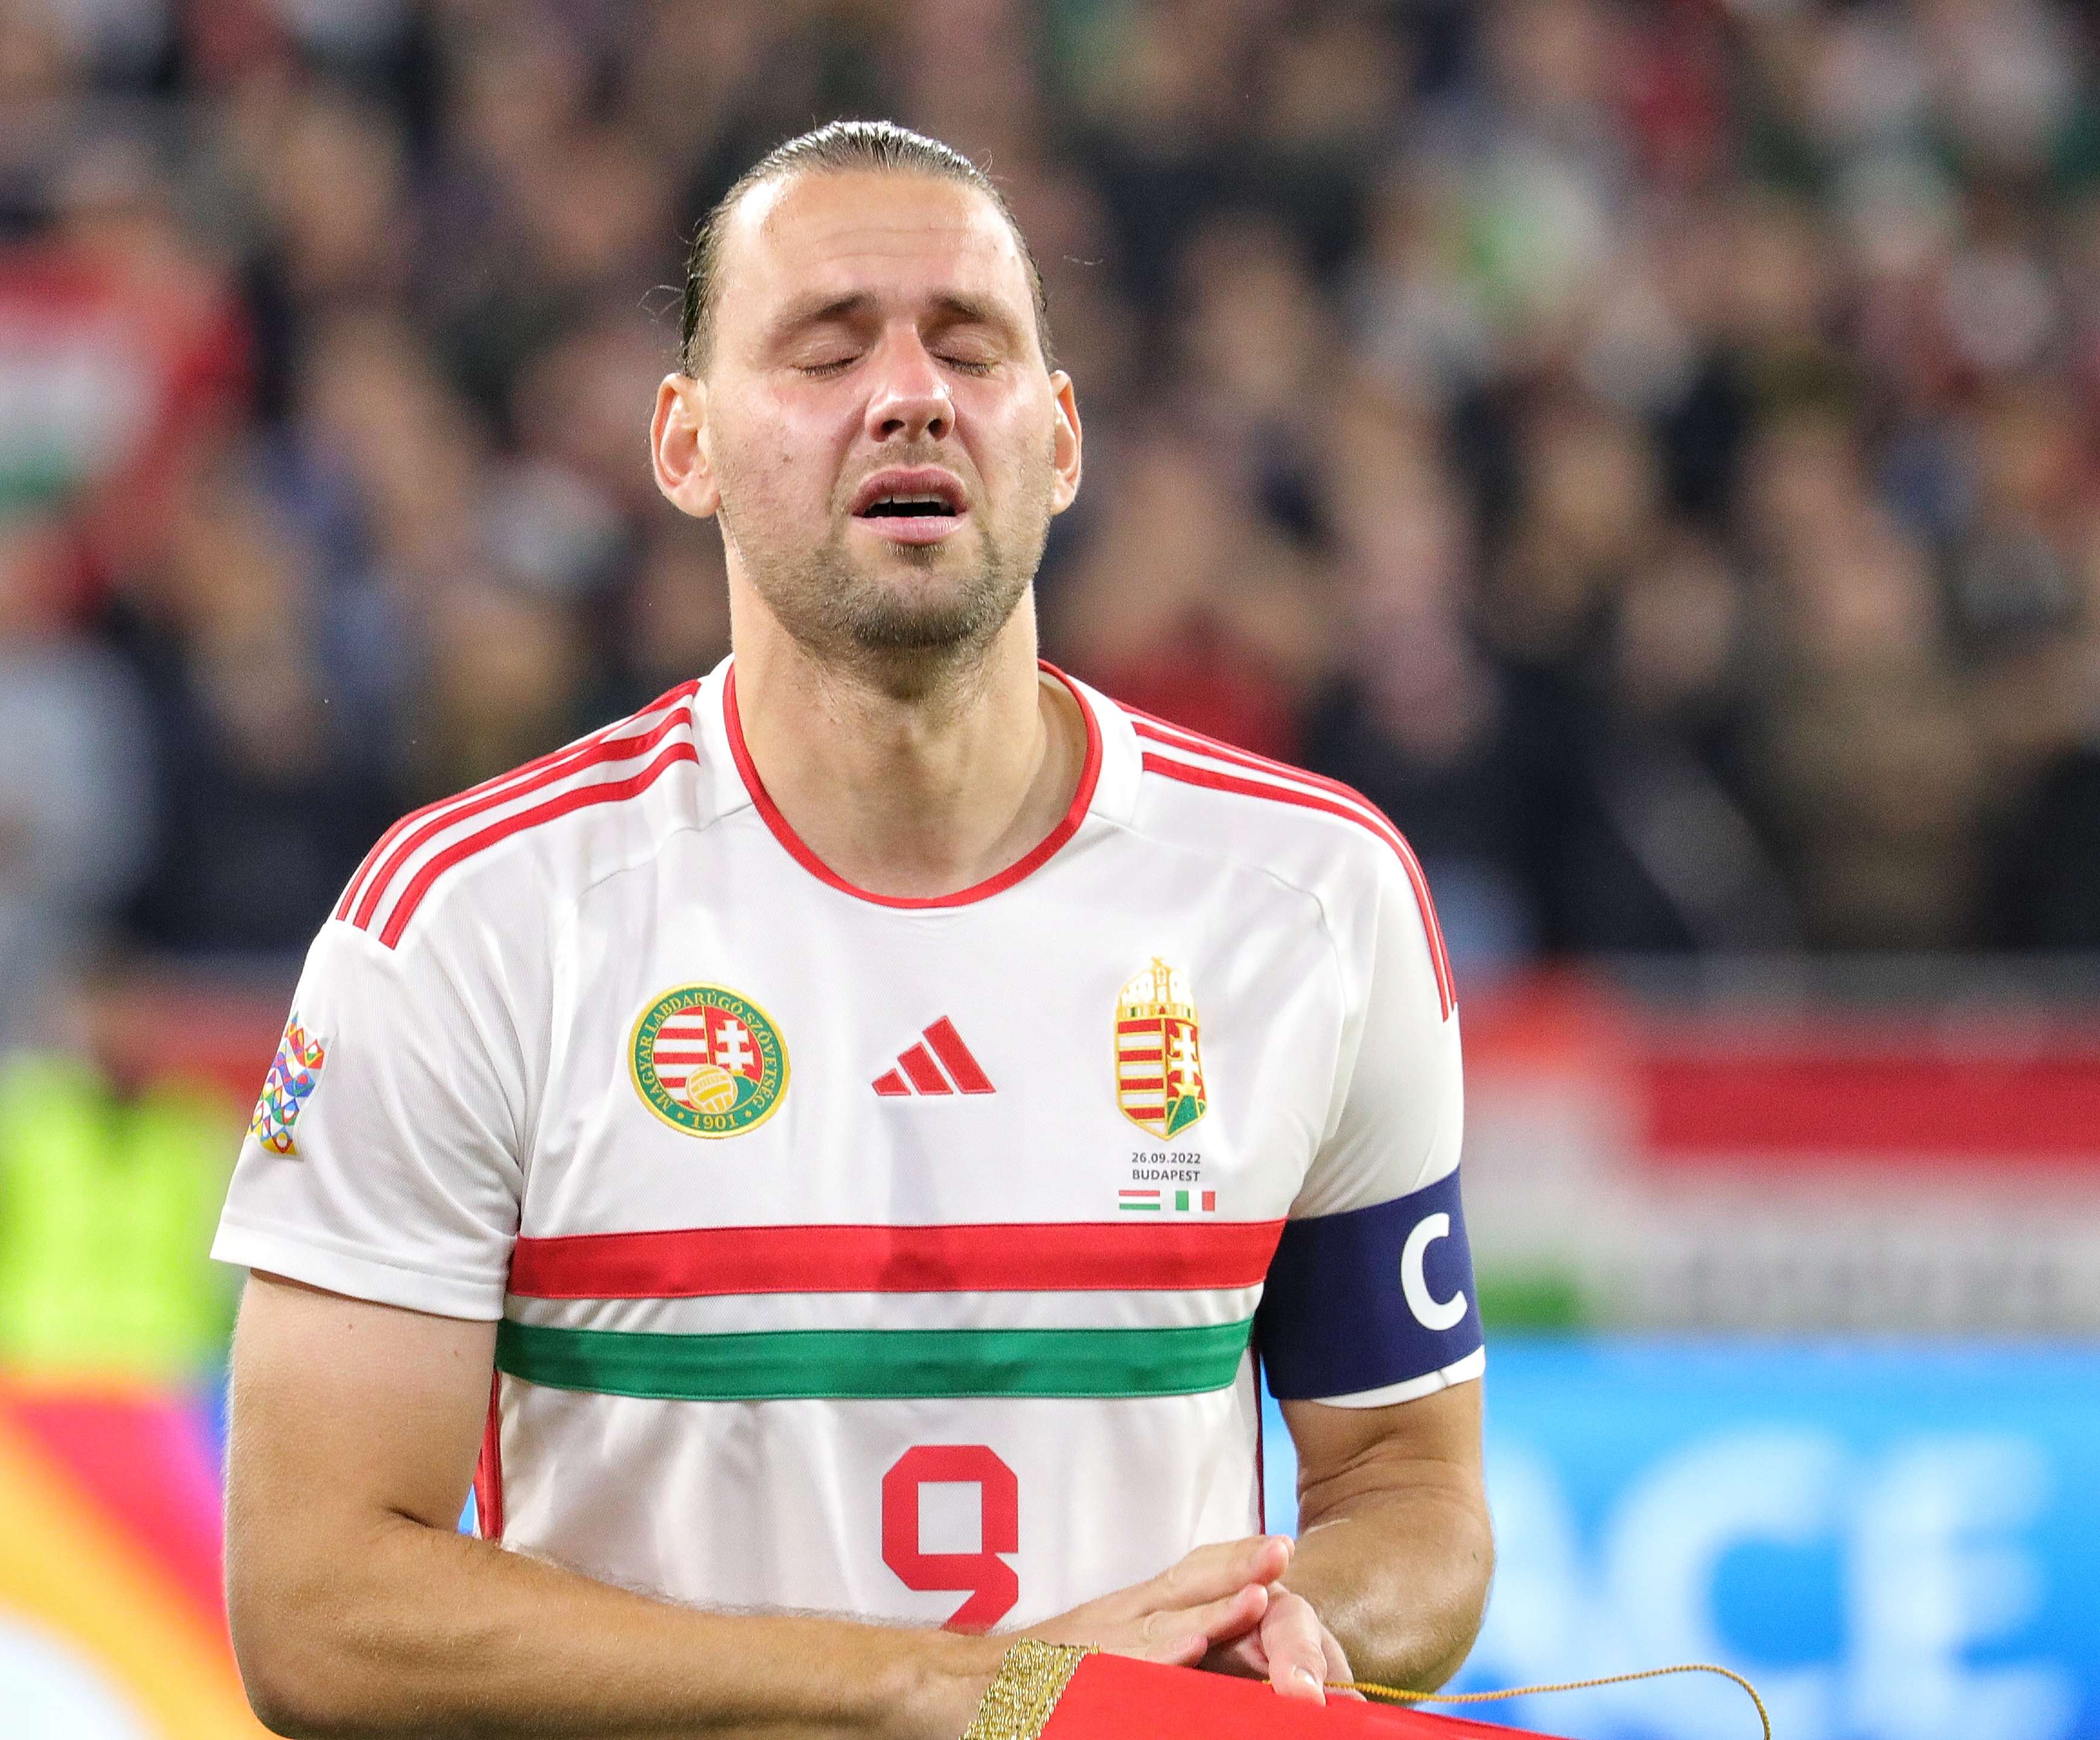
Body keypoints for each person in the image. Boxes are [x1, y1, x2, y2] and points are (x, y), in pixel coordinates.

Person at [214, 120, 1492, 1740]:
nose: (910, 394)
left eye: (971, 346)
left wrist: (1302, 1628)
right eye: (826, 352)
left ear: (1060, 439)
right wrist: (957, 1693)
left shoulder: (1312, 896)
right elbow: (315, 1606)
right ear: (683, 445)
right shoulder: (471, 921)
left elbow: (1412, 1493)